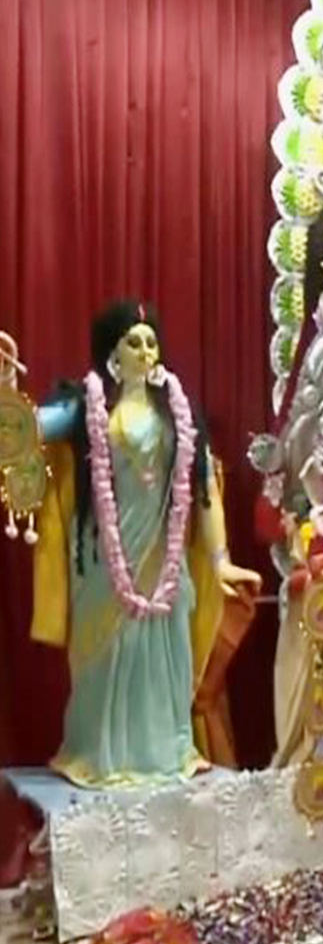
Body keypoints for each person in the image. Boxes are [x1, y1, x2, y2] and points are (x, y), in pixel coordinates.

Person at [30, 301, 259, 787]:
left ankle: (167, 749)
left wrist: (220, 560)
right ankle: (98, 753)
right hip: (103, 561)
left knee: (166, 651)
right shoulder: (86, 405)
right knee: (107, 657)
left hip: (163, 558)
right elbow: (26, 429)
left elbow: (204, 491)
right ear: (112, 351)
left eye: (151, 341)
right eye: (134, 341)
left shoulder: (177, 413)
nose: (145, 350)